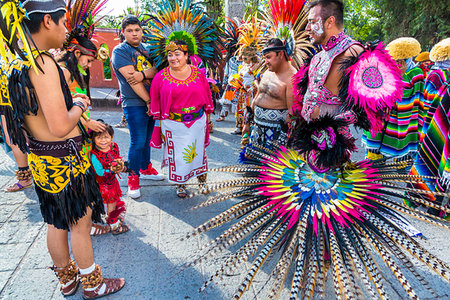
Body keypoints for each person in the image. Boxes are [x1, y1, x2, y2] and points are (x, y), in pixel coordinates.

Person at [186, 1, 450, 298]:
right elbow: (308, 93)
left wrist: (334, 126)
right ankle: (310, 246)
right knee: (304, 197)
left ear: (330, 21)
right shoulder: (320, 54)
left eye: (312, 21)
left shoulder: (355, 54)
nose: (307, 27)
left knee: (327, 202)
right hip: (308, 139)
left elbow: (376, 105)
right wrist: (299, 116)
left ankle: (324, 255)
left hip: (331, 145)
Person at [0, 0, 125, 297]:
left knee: (56, 221)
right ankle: (92, 283)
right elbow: (59, 125)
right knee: (79, 224)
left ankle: (67, 280)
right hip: (64, 159)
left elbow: (21, 124)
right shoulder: (42, 63)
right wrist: (80, 104)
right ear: (47, 22)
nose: (66, 30)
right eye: (64, 23)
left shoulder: (16, 63)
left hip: (41, 158)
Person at [150, 40, 214, 198]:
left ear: (186, 55)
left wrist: (209, 117)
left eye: (177, 54)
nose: (173, 58)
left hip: (197, 123)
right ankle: (180, 183)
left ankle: (202, 180)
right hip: (173, 124)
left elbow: (207, 95)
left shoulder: (198, 74)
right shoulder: (160, 77)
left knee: (198, 152)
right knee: (178, 156)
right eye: (170, 55)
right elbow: (155, 99)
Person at [111, 15, 163, 200]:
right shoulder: (120, 51)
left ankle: (145, 168)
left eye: (137, 30)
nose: (134, 33)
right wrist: (149, 101)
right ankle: (133, 177)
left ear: (142, 30)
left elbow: (159, 70)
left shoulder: (147, 49)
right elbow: (132, 80)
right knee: (138, 140)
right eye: (129, 31)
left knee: (147, 139)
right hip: (134, 102)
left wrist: (142, 74)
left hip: (151, 101)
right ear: (123, 33)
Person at [406, 38, 450, 218]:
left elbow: (426, 99)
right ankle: (435, 205)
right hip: (438, 121)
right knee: (435, 162)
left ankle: (430, 203)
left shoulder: (434, 74)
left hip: (432, 121)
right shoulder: (438, 76)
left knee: (430, 159)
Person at [363, 37, 424, 160]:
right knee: (374, 156)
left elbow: (412, 96)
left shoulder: (416, 72)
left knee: (403, 159)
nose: (398, 62)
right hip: (382, 115)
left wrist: (400, 76)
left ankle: (402, 167)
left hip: (403, 118)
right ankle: (374, 165)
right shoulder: (385, 68)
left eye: (402, 60)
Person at [242, 38, 296, 149]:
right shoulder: (267, 71)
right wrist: (247, 121)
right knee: (252, 165)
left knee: (267, 166)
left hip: (275, 136)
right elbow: (258, 95)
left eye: (269, 57)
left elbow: (292, 113)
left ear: (280, 54)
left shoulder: (292, 78)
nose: (266, 62)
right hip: (257, 128)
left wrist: (283, 140)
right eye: (265, 58)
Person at [90, 122, 130, 233]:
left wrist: (121, 165)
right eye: (99, 138)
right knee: (111, 202)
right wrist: (112, 170)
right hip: (103, 184)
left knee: (114, 201)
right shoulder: (95, 154)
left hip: (112, 181)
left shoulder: (114, 146)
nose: (103, 140)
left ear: (111, 137)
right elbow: (99, 172)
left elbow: (117, 158)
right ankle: (114, 226)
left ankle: (110, 217)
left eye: (106, 137)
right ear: (93, 139)